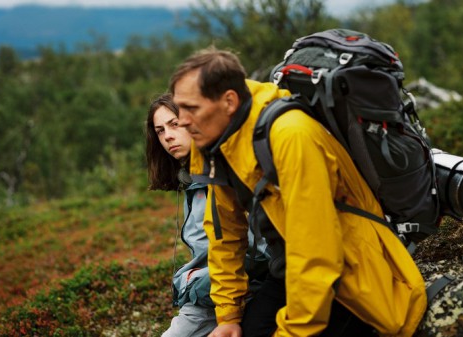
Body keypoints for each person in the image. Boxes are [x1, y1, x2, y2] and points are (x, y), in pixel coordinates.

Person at [169, 47, 428, 337]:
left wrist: (292, 332)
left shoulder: (291, 135)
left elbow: (318, 252)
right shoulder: (213, 139)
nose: (182, 120)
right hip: (289, 267)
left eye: (191, 108)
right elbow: (224, 232)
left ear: (229, 101)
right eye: (180, 107)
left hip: (348, 274)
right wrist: (228, 315)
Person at [145, 93, 216, 337]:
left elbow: (253, 251)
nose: (168, 136)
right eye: (160, 131)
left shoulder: (221, 177)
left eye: (174, 124)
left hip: (228, 296)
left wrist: (193, 284)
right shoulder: (192, 181)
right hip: (209, 299)